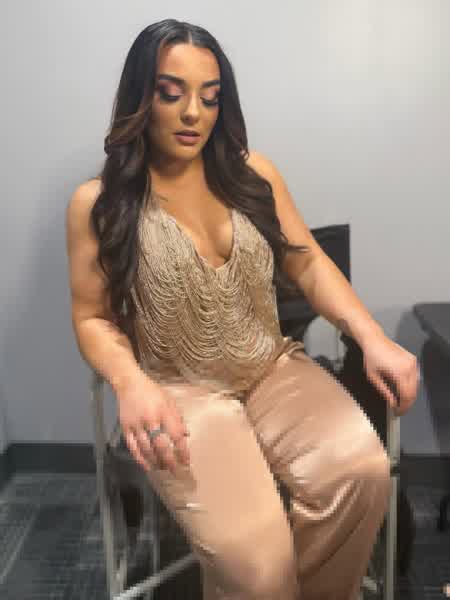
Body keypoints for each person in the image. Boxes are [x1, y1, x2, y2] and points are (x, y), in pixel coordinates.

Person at [66, 19, 420, 600]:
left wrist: (372, 336)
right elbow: (92, 317)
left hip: (271, 368)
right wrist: (130, 383)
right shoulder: (99, 203)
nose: (193, 113)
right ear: (140, 97)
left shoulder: (252, 173)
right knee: (258, 568)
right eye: (171, 93)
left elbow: (307, 262)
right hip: (180, 393)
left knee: (361, 474)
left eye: (209, 97)